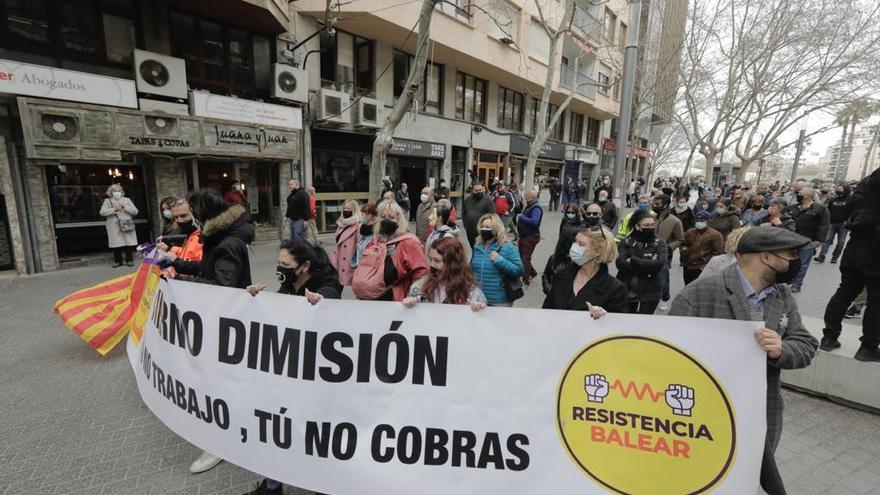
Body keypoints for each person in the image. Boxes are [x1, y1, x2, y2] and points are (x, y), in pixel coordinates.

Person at [669, 226, 819, 495]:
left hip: (761, 412)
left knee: (746, 481)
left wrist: (781, 348)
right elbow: (667, 355)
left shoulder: (782, 296)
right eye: (791, 254)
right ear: (766, 257)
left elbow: (807, 345)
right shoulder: (699, 294)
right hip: (705, 416)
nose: (795, 261)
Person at [243, 239, 340, 495]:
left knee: (315, 436)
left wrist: (322, 300)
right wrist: (257, 299)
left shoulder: (325, 282)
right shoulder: (288, 286)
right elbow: (276, 314)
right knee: (278, 431)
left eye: (286, 264)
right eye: (278, 263)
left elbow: (332, 296)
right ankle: (272, 486)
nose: (280, 268)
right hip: (290, 373)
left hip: (318, 378)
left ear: (304, 265)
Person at [168, 189, 254, 476]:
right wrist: (175, 264)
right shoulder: (219, 238)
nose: (185, 220)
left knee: (220, 381)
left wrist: (180, 281)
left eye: (190, 214)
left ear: (204, 215)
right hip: (218, 320)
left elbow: (221, 287)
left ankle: (220, 442)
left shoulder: (227, 244)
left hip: (226, 323)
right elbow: (207, 268)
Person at [820, 168, 880, 361]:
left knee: (844, 292)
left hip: (854, 249)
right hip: (874, 251)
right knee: (876, 300)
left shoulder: (863, 186)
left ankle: (829, 337)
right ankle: (868, 347)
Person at [543, 225, 629, 316]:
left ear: (597, 251)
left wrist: (603, 317)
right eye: (575, 241)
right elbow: (546, 311)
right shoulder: (561, 275)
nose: (574, 247)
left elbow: (617, 325)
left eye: (581, 244)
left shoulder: (615, 289)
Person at [353, 200, 428, 301]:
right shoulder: (375, 240)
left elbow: (421, 272)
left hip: (395, 301)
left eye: (391, 217)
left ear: (399, 219)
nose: (386, 220)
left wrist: (414, 296)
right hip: (369, 300)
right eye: (383, 217)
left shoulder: (408, 242)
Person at [403, 237, 487, 310]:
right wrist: (411, 304)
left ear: (452, 264)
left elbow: (482, 319)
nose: (431, 264)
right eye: (430, 259)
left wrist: (477, 309)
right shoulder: (421, 286)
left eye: (437, 261)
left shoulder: (470, 291)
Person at [616, 209, 668, 314]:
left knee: (645, 322)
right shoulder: (626, 242)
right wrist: (648, 265)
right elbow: (620, 264)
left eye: (652, 225)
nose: (650, 228)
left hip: (651, 291)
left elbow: (659, 264)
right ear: (637, 226)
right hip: (628, 288)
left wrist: (633, 260)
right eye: (646, 225)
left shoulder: (660, 243)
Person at [470, 213, 524, 307]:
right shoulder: (477, 247)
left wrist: (500, 261)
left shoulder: (507, 247)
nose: (484, 229)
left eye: (488, 226)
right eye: (482, 226)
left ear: (496, 228)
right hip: (479, 299)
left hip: (500, 301)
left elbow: (519, 270)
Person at [786, 186, 829, 293]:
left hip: (808, 241)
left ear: (809, 196)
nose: (798, 195)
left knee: (803, 264)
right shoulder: (793, 208)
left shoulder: (820, 209)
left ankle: (797, 284)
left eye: (801, 193)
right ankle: (790, 278)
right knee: (789, 261)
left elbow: (824, 225)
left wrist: (819, 240)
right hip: (791, 240)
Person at [157, 199, 203, 275]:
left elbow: (200, 267)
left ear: (195, 214)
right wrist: (169, 249)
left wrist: (176, 261)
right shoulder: (191, 234)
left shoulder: (202, 237)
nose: (180, 220)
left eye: (183, 216)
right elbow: (188, 252)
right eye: (176, 217)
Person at [653, 194, 684, 310]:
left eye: (657, 204)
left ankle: (664, 299)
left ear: (665, 205)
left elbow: (680, 238)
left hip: (665, 254)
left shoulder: (675, 221)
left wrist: (668, 247)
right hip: (649, 252)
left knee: (663, 276)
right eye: (654, 203)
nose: (654, 206)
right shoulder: (651, 218)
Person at [99, 184, 139, 267]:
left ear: (121, 192)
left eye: (119, 190)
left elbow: (135, 211)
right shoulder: (108, 201)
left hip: (126, 224)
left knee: (128, 242)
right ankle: (118, 261)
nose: (117, 192)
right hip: (114, 225)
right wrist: (114, 209)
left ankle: (130, 260)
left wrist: (125, 207)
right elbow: (102, 212)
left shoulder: (127, 200)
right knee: (116, 243)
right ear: (111, 192)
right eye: (115, 191)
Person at [680, 210, 724, 284]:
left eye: (702, 220)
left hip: (702, 267)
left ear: (708, 221)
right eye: (697, 220)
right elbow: (684, 244)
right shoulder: (690, 232)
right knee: (688, 288)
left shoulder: (715, 235)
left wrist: (707, 265)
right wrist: (684, 250)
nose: (699, 222)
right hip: (689, 266)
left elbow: (717, 252)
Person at [814, 183, 851, 264]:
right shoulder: (833, 199)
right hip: (832, 224)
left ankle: (835, 257)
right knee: (827, 240)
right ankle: (822, 256)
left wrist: (848, 221)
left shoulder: (850, 200)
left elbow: (852, 212)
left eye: (840, 189)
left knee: (841, 242)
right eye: (837, 188)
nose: (838, 190)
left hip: (843, 225)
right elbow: (827, 210)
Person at [330, 199, 361, 290]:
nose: (346, 210)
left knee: (357, 289)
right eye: (344, 208)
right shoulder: (340, 223)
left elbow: (360, 246)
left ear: (354, 210)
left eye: (349, 208)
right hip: (338, 259)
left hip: (350, 262)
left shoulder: (358, 225)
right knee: (336, 285)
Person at [517, 190, 543, 286]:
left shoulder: (536, 208)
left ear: (530, 197)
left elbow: (535, 221)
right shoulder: (530, 206)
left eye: (526, 196)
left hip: (531, 236)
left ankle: (525, 280)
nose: (524, 198)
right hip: (525, 236)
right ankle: (532, 272)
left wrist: (521, 217)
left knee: (525, 259)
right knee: (523, 257)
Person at [462, 183, 495, 248]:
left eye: (480, 190)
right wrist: (466, 225)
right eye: (476, 191)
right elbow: (464, 213)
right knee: (473, 247)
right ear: (472, 191)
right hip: (470, 230)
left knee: (482, 248)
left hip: (483, 230)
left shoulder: (488, 201)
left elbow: (492, 215)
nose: (479, 192)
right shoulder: (467, 200)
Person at [354, 202, 378, 268]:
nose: (361, 216)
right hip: (361, 268)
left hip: (369, 270)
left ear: (370, 215)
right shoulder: (364, 230)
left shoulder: (376, 233)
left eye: (363, 214)